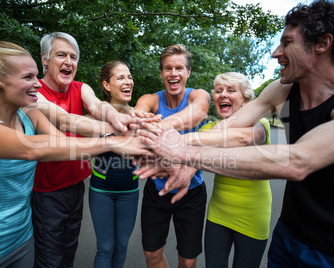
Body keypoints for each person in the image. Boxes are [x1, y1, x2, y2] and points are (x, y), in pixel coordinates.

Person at [137, 1, 334, 267]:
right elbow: (226, 129)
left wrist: (182, 151)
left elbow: (298, 161)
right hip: (288, 233)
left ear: (322, 43)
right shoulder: (283, 89)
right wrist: (176, 145)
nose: (276, 53)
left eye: (287, 43)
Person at [0, 41, 148, 267]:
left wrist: (127, 127)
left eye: (36, 76)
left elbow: (64, 142)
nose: (37, 84)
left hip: (20, 240)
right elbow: (31, 148)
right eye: (28, 77)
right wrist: (115, 143)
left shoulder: (29, 116)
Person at [30, 32, 142, 268]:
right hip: (46, 190)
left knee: (69, 250)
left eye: (73, 56)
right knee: (50, 258)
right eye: (61, 55)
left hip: (75, 186)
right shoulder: (33, 92)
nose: (69, 61)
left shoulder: (80, 88)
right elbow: (65, 120)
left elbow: (98, 106)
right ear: (45, 59)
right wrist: (120, 132)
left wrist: (117, 117)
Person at [133, 44, 210, 268]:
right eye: (167, 69)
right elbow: (138, 116)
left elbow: (199, 112)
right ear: (161, 73)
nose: (173, 73)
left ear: (188, 72)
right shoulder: (151, 100)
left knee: (187, 261)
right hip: (157, 191)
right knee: (151, 254)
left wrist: (162, 129)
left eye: (179, 68)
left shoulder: (197, 95)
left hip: (192, 191)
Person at [197, 72, 272, 268]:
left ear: (245, 100)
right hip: (218, 213)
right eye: (218, 90)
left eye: (231, 90)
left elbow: (245, 138)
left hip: (253, 215)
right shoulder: (208, 129)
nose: (223, 94)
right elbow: (194, 151)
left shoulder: (260, 125)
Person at [88, 61, 140, 268]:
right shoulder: (94, 114)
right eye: (120, 77)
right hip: (101, 190)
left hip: (130, 190)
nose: (128, 81)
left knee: (122, 245)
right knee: (106, 247)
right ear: (106, 85)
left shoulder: (137, 114)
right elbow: (81, 144)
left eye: (129, 77)